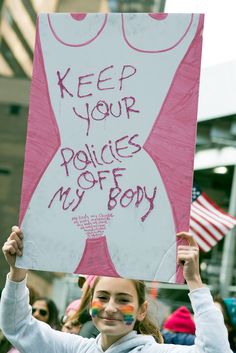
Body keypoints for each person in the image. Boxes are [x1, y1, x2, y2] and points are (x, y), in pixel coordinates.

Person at [0, 226, 232, 352]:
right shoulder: (77, 348)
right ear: (91, 303)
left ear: (142, 310)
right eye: (102, 296)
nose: (111, 307)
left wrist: (195, 282)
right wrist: (17, 272)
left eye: (123, 299)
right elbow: (18, 327)